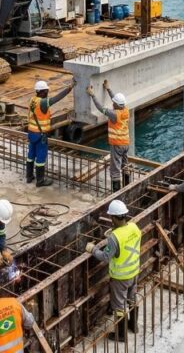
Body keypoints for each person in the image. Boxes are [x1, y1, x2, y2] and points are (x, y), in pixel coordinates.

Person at [86, 200, 141, 342]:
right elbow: (127, 241)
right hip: (134, 272)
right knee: (132, 299)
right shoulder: (134, 227)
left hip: (121, 277)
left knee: (119, 306)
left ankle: (121, 335)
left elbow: (105, 257)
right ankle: (133, 326)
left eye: (111, 217)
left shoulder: (114, 237)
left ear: (115, 218)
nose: (111, 220)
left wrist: (93, 249)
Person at [26, 80, 73, 187]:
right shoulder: (43, 102)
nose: (48, 92)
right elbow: (56, 98)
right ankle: (40, 181)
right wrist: (69, 88)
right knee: (41, 158)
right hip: (40, 135)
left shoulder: (32, 100)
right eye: (46, 90)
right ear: (42, 91)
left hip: (31, 132)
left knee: (31, 155)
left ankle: (29, 177)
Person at [87, 80, 131, 191]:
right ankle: (128, 187)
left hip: (117, 144)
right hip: (125, 143)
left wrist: (93, 95)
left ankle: (116, 193)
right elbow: (116, 100)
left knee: (115, 169)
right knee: (125, 165)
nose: (112, 104)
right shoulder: (125, 110)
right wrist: (108, 89)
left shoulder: (114, 114)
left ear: (116, 104)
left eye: (114, 103)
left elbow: (100, 108)